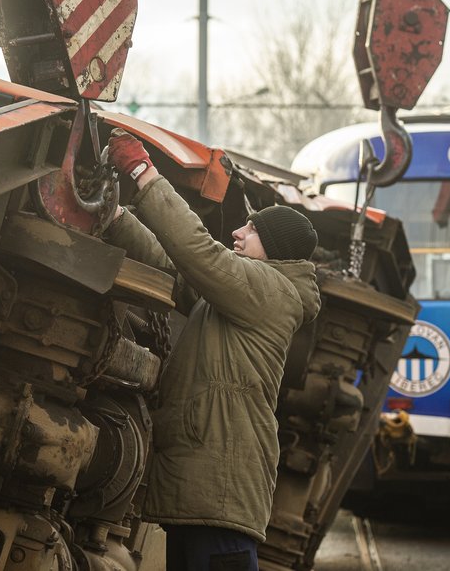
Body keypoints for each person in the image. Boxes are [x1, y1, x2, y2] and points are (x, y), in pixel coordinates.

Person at [103, 130, 321, 571]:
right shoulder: (238, 295)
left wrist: (145, 174)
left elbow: (199, 252)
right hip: (208, 485)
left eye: (253, 230)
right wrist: (113, 215)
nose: (239, 232)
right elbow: (176, 266)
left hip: (222, 488)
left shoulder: (272, 291)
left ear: (275, 250)